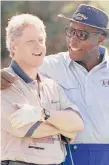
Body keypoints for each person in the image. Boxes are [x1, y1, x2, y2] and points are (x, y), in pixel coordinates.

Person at [1, 4, 109, 165]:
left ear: (100, 38)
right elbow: (22, 62)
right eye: (71, 31)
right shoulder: (51, 64)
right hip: (68, 155)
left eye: (82, 34)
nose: (73, 39)